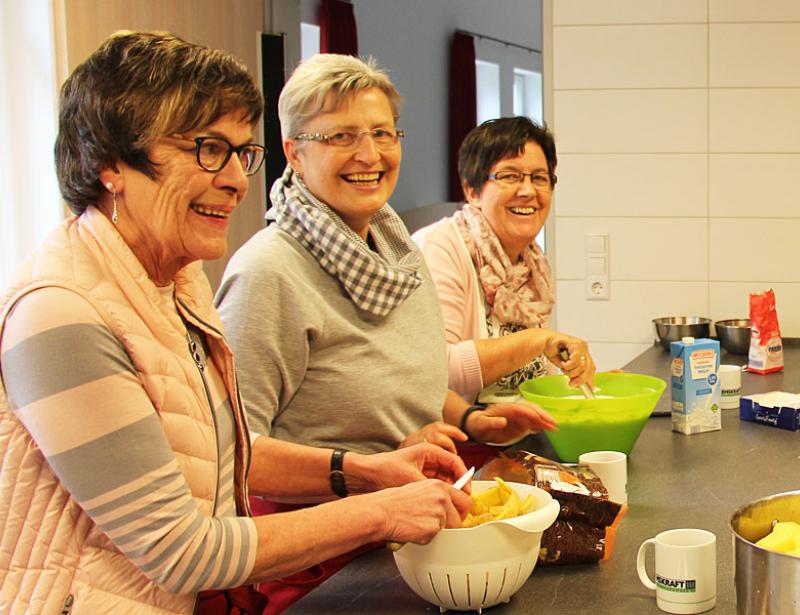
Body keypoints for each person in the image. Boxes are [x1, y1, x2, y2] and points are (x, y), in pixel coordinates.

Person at [0, 32, 473, 615]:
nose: (235, 179)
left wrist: (364, 472)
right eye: (206, 149)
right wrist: (381, 511)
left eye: (240, 152)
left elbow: (227, 453)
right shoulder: (60, 317)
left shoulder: (173, 280)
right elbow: (180, 550)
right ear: (108, 164)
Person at [216, 55, 559, 462]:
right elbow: (233, 456)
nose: (369, 154)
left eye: (382, 133)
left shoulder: (400, 253)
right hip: (328, 517)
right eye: (341, 137)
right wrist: (365, 469)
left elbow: (409, 387)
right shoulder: (267, 271)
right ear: (294, 154)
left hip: (416, 500)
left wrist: (471, 420)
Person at [413, 117, 597, 405]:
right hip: (457, 441)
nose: (527, 191)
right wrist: (538, 340)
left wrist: (578, 384)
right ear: (472, 191)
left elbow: (530, 376)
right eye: (509, 176)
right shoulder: (441, 247)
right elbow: (435, 369)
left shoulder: (531, 262)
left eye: (539, 178)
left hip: (515, 434)